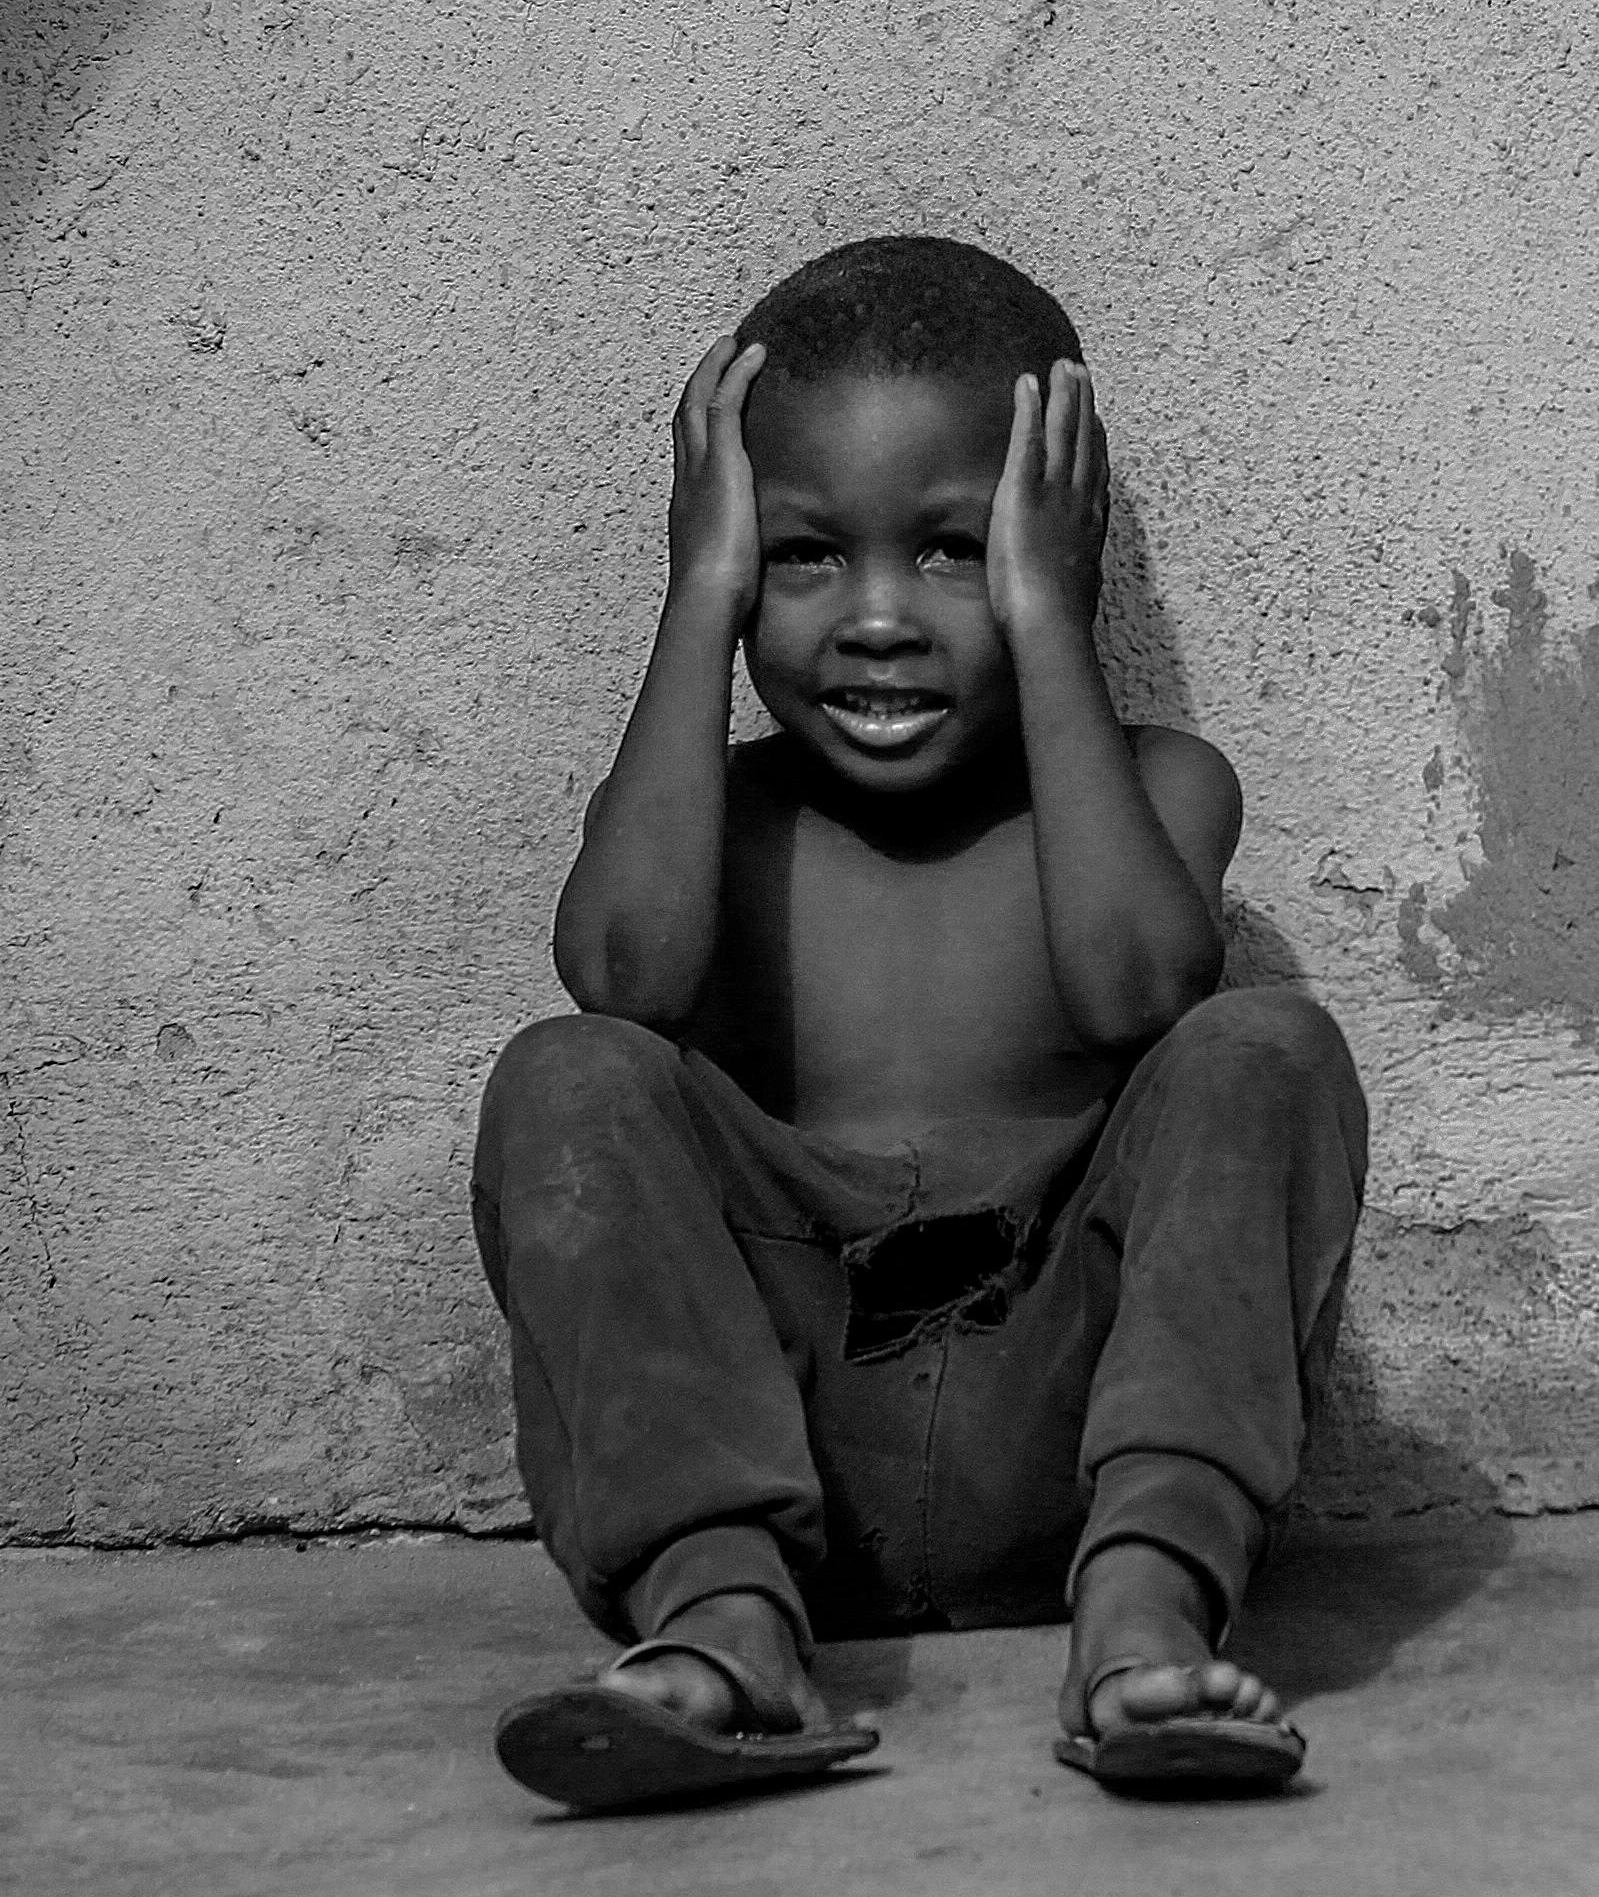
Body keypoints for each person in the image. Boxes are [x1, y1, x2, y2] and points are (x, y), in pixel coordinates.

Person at [473, 235, 1364, 1809]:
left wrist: (1049, 621)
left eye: (954, 550)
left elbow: (1141, 992)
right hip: (775, 1461)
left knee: (1267, 1048)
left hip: (1071, 1438)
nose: (879, 618)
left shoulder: (1155, 795)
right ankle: (725, 1623)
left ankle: (1144, 1608)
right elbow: (618, 984)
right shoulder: (712, 828)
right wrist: (695, 599)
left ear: (1056, 548)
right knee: (564, 1077)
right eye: (807, 557)